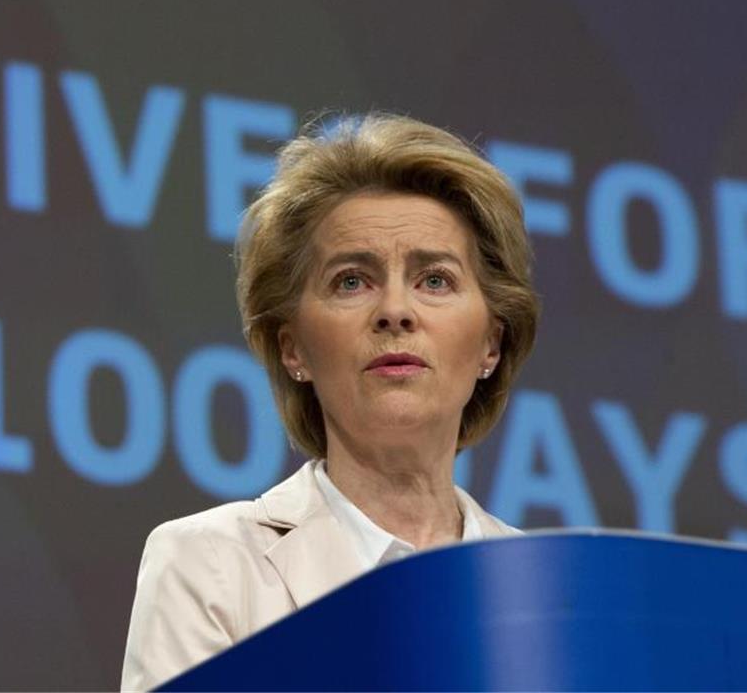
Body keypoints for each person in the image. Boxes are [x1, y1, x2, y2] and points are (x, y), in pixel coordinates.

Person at [120, 113, 540, 691]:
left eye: (435, 280)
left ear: (491, 342)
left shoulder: (548, 592)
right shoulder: (212, 566)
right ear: (293, 348)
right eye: (352, 281)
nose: (396, 310)